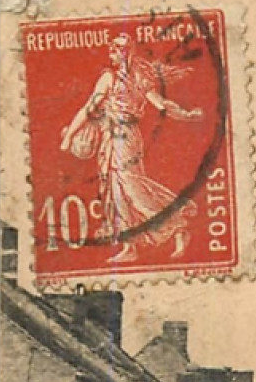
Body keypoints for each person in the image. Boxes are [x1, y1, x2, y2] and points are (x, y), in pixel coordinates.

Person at [59, 35, 203, 263]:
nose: (112, 53)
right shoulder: (108, 78)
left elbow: (161, 104)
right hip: (109, 137)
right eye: (111, 49)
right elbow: (88, 108)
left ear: (127, 52)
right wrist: (69, 135)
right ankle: (130, 246)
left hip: (127, 138)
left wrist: (185, 115)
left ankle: (176, 225)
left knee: (133, 188)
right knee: (114, 191)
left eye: (116, 50)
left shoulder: (139, 79)